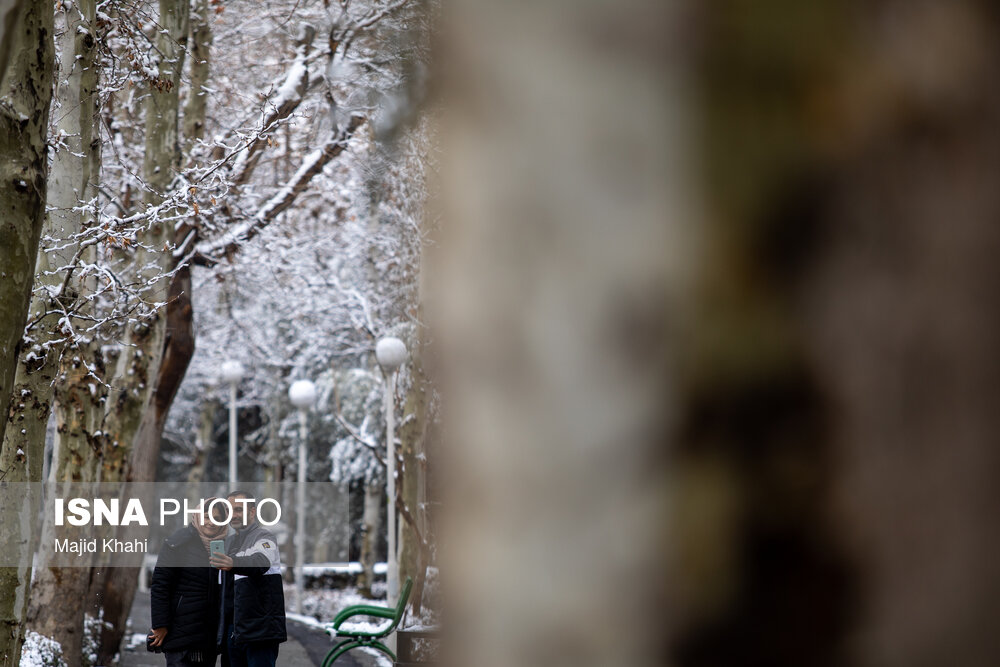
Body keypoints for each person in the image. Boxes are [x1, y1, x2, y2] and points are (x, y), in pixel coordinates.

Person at [211, 490, 287, 667]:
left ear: (252, 512)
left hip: (260, 632)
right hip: (234, 632)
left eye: (238, 509)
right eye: (230, 510)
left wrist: (233, 562)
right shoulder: (228, 542)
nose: (233, 515)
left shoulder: (264, 537)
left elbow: (261, 562)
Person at [149, 498, 228, 667]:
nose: (211, 522)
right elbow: (160, 585)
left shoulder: (227, 545)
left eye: (218, 518)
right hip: (180, 632)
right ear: (198, 516)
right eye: (207, 516)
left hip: (209, 636)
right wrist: (160, 625)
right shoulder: (179, 542)